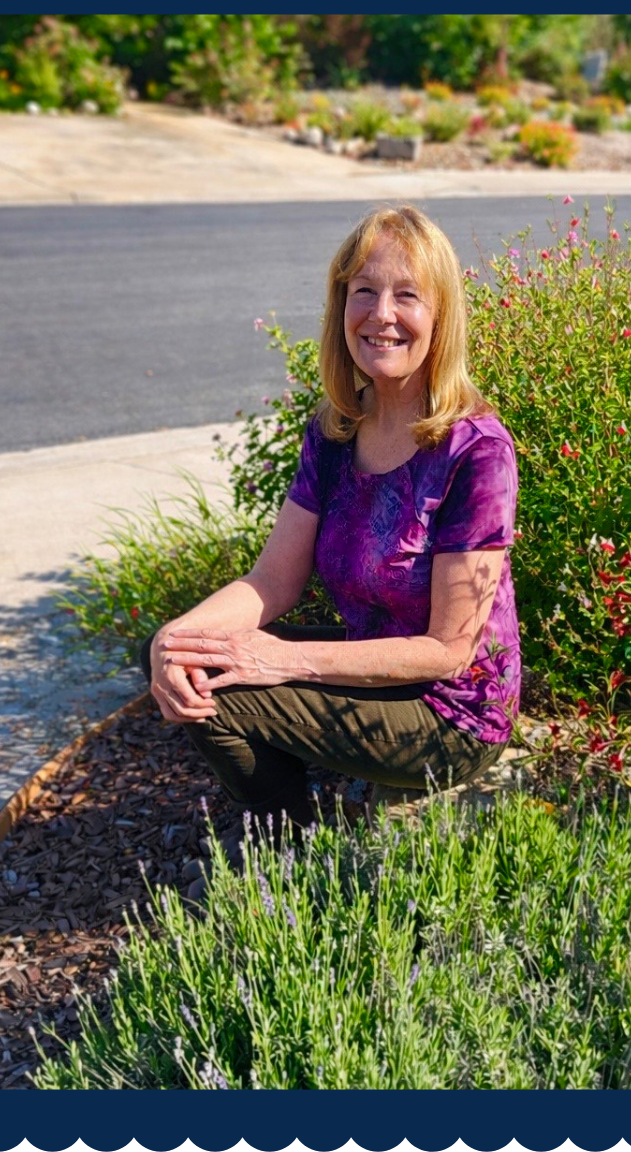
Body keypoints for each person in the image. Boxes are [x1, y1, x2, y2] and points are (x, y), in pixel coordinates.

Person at [141, 204, 519, 892]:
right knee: (178, 651)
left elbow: (449, 649)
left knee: (230, 698)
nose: (382, 313)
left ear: (441, 316)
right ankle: (300, 812)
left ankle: (298, 853)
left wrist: (285, 660)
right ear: (340, 304)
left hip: (449, 710)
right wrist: (175, 636)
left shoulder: (476, 450)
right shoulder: (338, 430)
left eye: (407, 294)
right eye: (364, 291)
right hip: (365, 666)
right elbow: (272, 582)